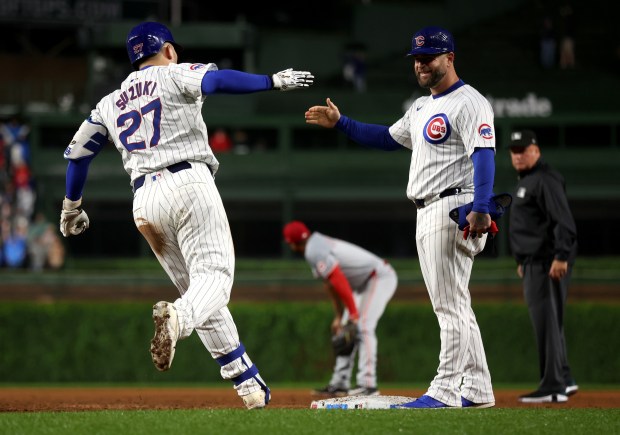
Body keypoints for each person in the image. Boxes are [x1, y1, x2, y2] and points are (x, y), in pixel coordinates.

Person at [58, 21, 314, 410]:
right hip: (187, 181)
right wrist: (271, 81)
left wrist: (71, 206)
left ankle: (248, 385)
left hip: (144, 200)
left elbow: (78, 153)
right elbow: (215, 81)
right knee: (215, 281)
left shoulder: (109, 103)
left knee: (200, 292)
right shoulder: (174, 72)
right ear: (170, 50)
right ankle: (177, 317)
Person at [305, 26, 497, 408]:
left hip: (452, 208)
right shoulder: (423, 106)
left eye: (429, 57)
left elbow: (484, 154)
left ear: (450, 58)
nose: (422, 64)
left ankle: (443, 390)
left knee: (449, 307)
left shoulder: (469, 102)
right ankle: (477, 390)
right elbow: (387, 138)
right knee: (457, 303)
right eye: (417, 59)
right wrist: (341, 123)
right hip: (429, 211)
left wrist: (482, 207)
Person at [282, 221, 397, 397]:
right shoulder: (315, 245)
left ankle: (368, 385)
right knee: (345, 331)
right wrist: (339, 316)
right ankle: (339, 383)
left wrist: (353, 313)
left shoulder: (314, 250)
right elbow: (331, 284)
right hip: (362, 284)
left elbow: (338, 278)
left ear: (291, 243)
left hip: (378, 277)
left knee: (363, 325)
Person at [507, 130, 579, 404]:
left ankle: (552, 386)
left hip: (547, 262)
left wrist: (561, 255)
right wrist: (521, 260)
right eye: (514, 150)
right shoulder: (531, 180)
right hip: (535, 262)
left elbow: (564, 222)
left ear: (536, 151)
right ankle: (564, 378)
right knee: (552, 322)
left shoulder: (544, 179)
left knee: (546, 322)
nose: (518, 154)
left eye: (523, 149)